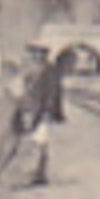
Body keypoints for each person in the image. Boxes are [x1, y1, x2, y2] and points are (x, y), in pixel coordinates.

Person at [12, 44, 65, 185]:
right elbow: (19, 90)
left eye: (38, 53)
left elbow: (53, 93)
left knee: (40, 142)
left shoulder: (49, 70)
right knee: (31, 141)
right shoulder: (29, 69)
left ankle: (38, 174)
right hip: (29, 110)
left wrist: (49, 111)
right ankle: (33, 173)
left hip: (41, 112)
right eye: (34, 53)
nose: (35, 56)